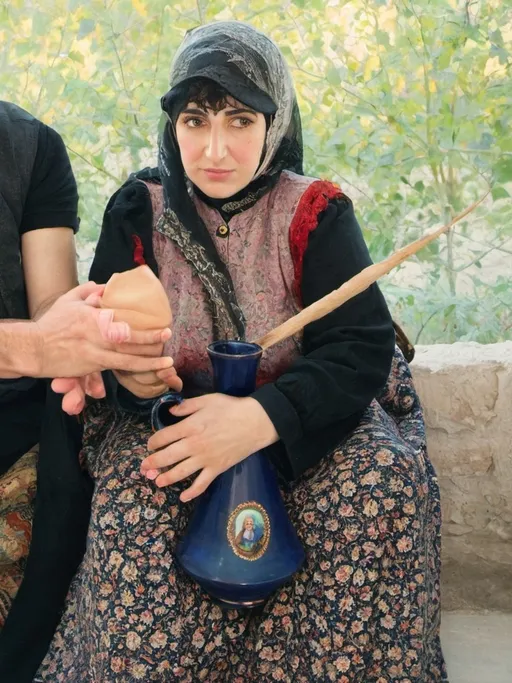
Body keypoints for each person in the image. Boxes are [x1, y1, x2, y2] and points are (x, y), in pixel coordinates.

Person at [36, 22, 446, 682]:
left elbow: (358, 347)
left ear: (274, 119)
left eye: (240, 119)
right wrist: (137, 383)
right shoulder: (140, 211)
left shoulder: (314, 211)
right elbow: (107, 348)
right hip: (177, 420)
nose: (216, 148)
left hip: (301, 418)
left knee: (378, 485)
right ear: (172, 124)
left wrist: (258, 422)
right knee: (132, 505)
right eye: (195, 120)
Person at [0, 102, 174, 677]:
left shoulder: (29, 146)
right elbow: (34, 343)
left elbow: (50, 306)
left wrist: (101, 345)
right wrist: (29, 347)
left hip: (16, 414)